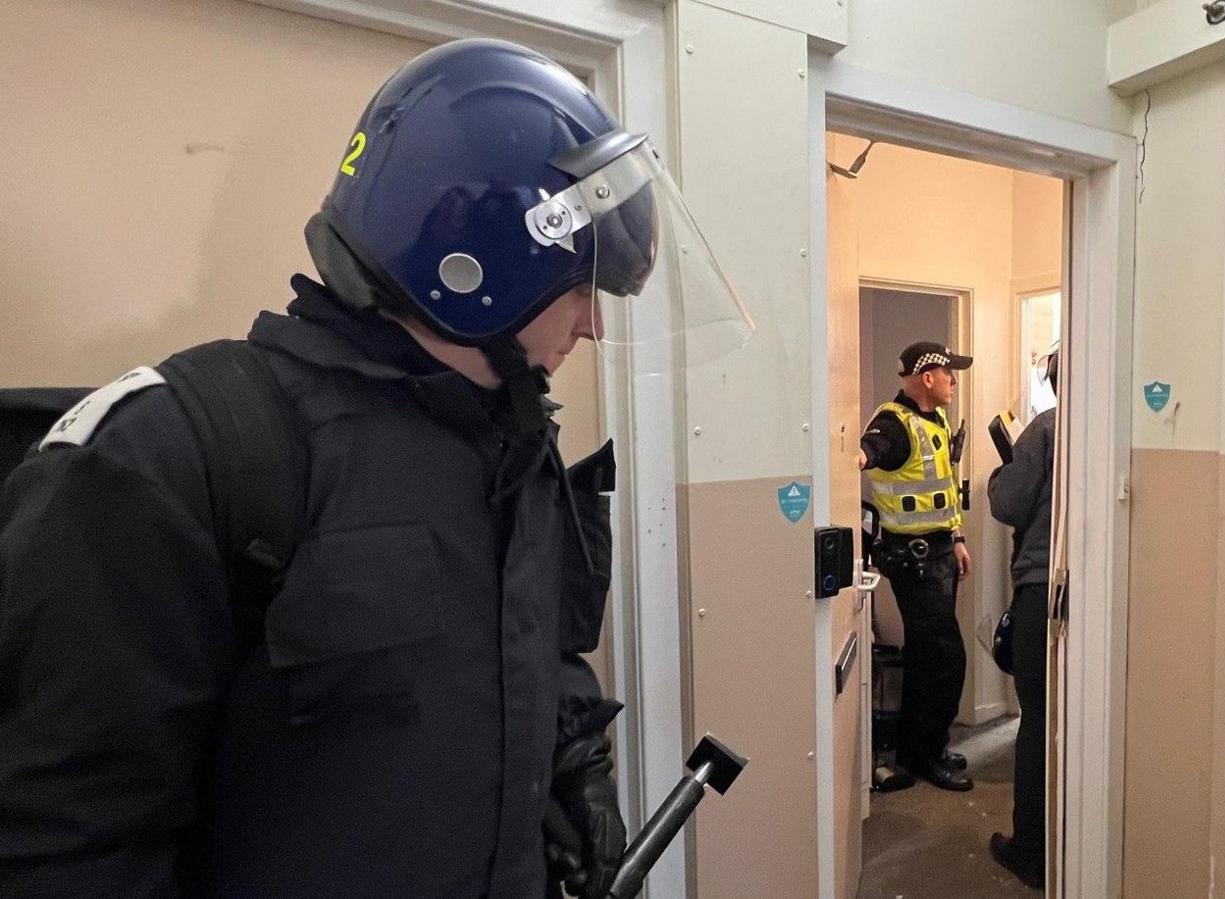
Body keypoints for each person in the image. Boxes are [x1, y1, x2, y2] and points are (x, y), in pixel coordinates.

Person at [0, 39, 749, 898]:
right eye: (582, 286)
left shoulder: (519, 445)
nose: (592, 326)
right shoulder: (178, 452)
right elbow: (64, 847)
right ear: (483, 266)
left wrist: (572, 759)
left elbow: (536, 647)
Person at [856, 341, 975, 792]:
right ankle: (924, 755)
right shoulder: (894, 424)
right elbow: (868, 451)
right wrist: (856, 456)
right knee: (945, 658)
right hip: (914, 562)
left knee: (930, 658)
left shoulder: (934, 420)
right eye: (949, 373)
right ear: (927, 378)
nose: (953, 381)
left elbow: (942, 487)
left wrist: (958, 537)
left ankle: (923, 746)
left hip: (942, 552)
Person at [984, 345, 1060, 890]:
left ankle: (1030, 850)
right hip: (1087, 594)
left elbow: (1008, 503)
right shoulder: (1105, 426)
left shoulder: (1046, 429)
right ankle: (1068, 840)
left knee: (1035, 721)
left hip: (1041, 592)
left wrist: (1000, 472)